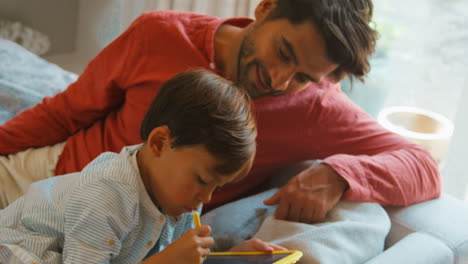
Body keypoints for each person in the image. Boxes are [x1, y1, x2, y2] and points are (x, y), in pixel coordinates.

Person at [0, 0, 440, 227]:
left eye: (304, 76)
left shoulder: (315, 109)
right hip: (51, 177)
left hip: (132, 229)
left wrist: (337, 175)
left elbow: (422, 166)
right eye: (282, 52)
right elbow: (66, 111)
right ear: (265, 9)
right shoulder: (156, 34)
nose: (281, 80)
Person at [0, 70, 285, 263]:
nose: (207, 198)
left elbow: (173, 254)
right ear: (160, 143)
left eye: (217, 187)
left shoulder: (180, 199)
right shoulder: (104, 198)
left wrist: (234, 255)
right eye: (201, 179)